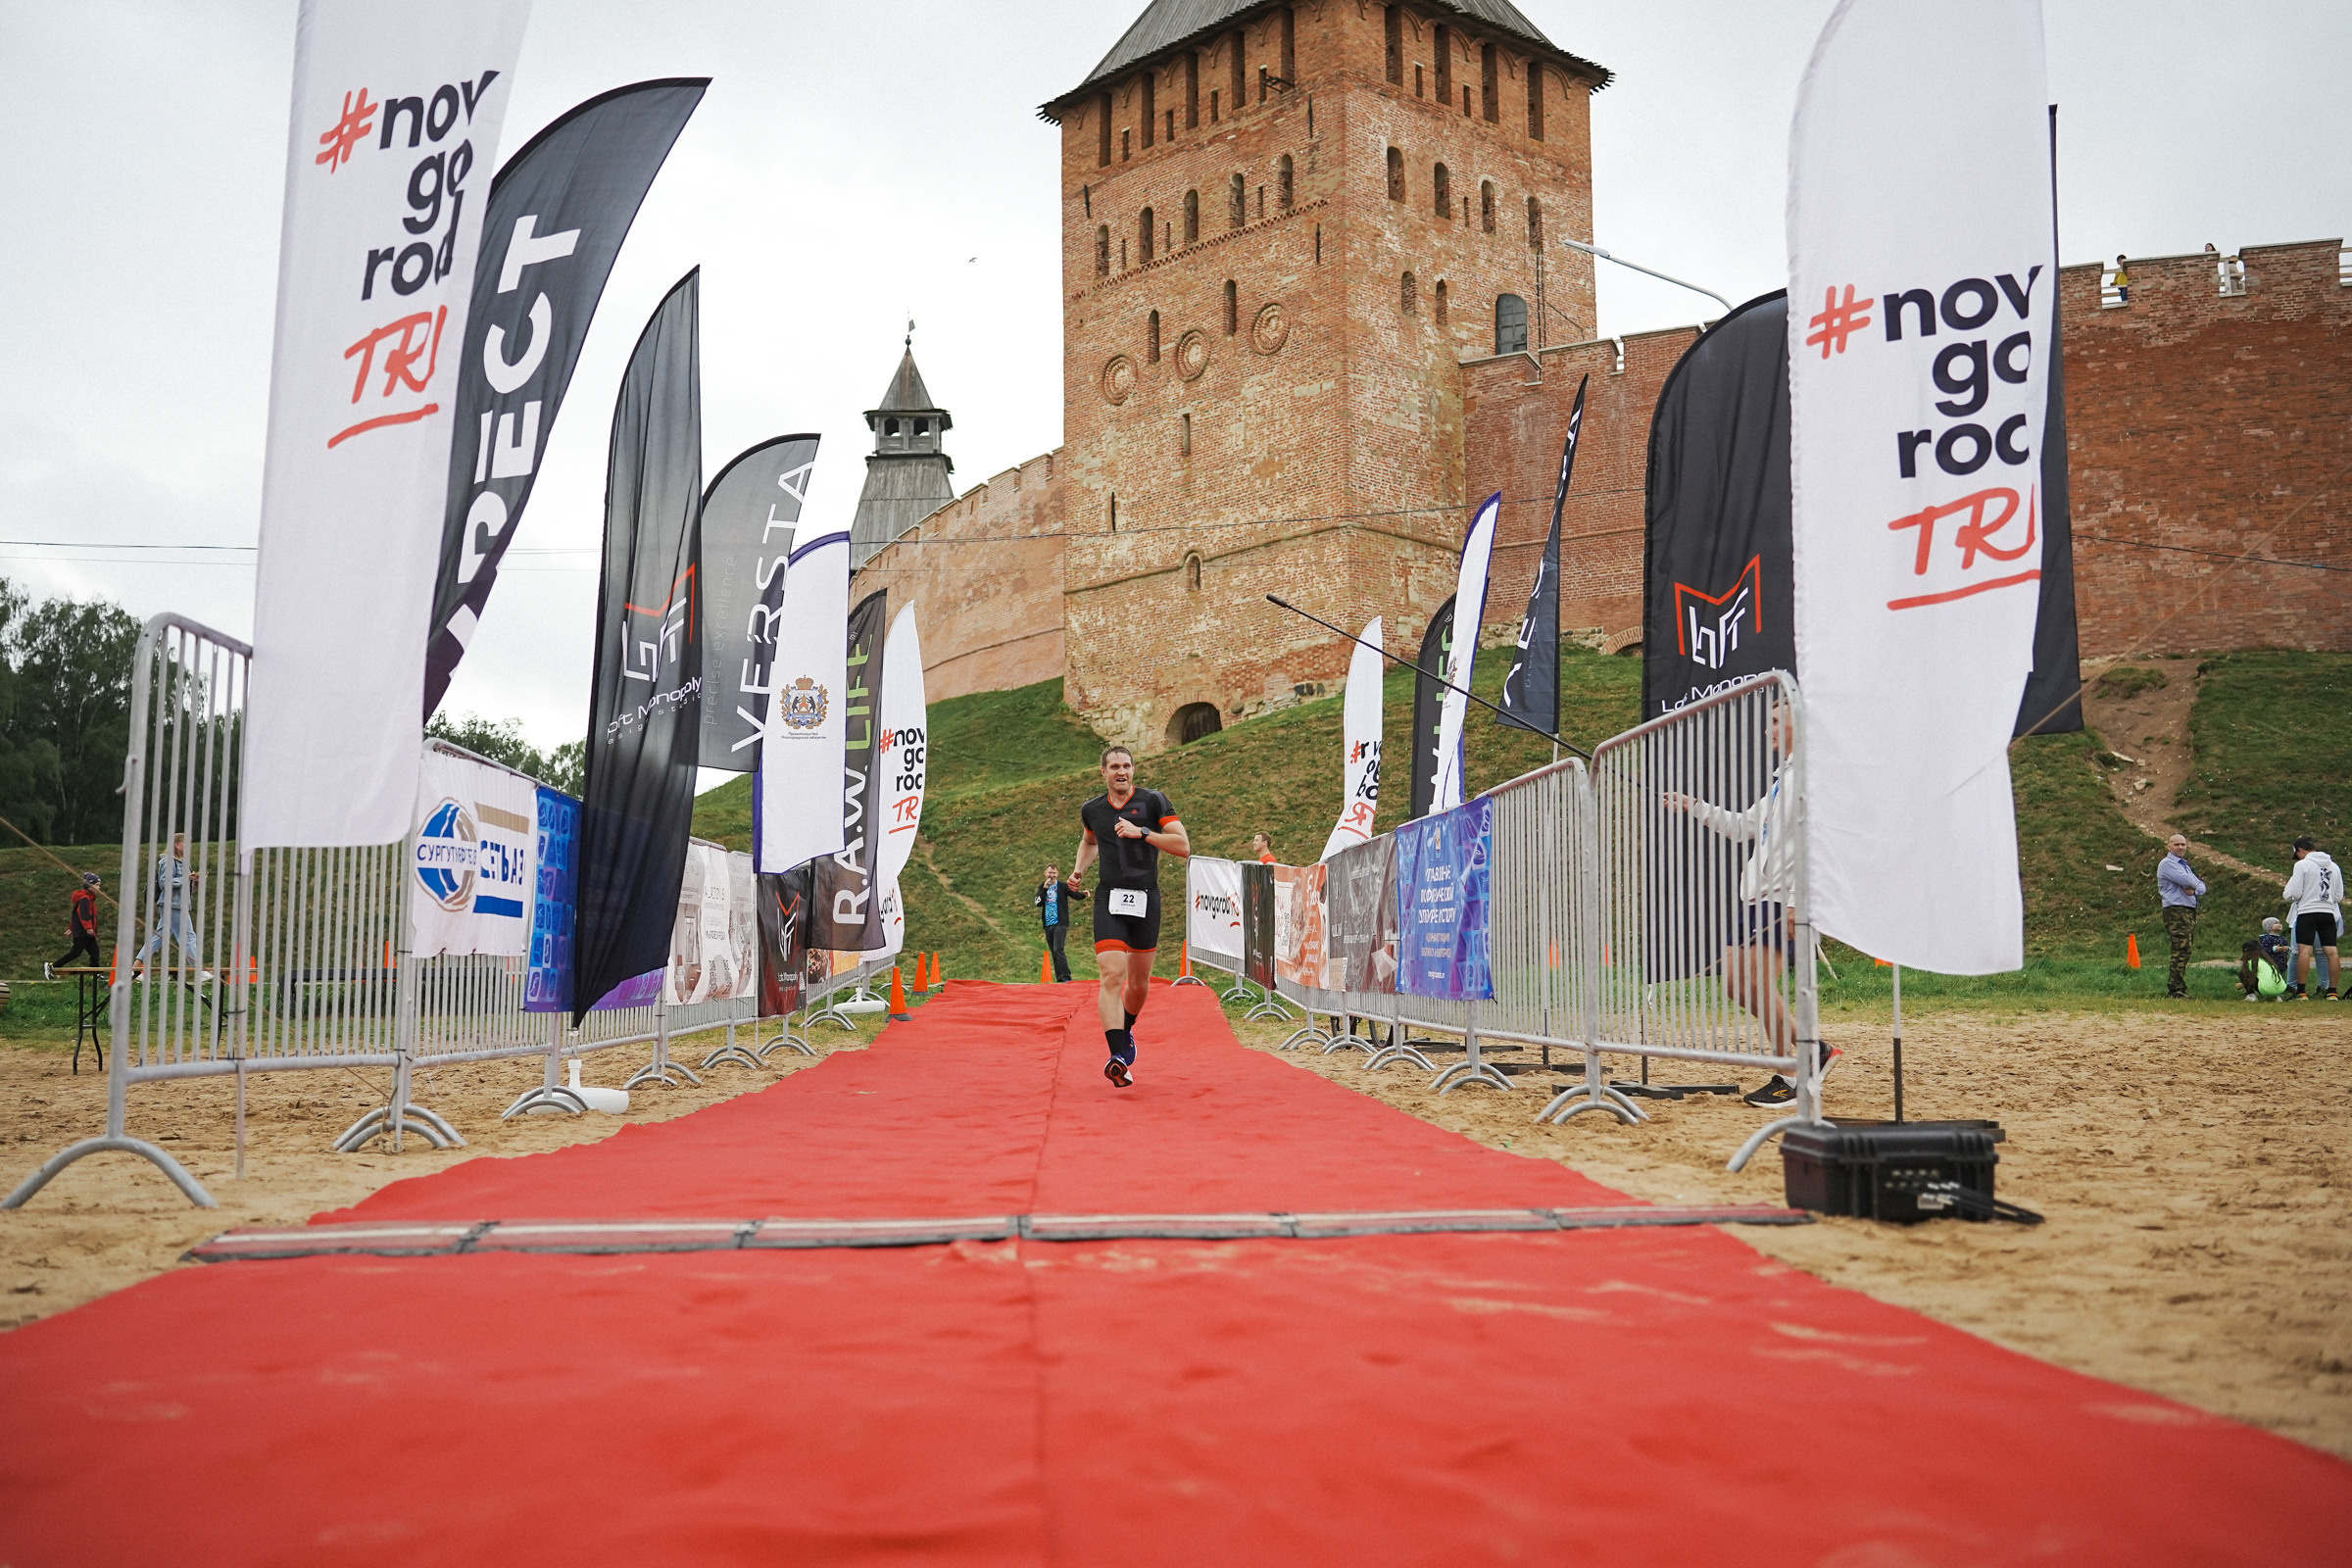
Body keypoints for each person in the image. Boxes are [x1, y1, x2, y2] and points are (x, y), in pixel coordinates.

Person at [1659, 697, 1837, 1106]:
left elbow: (1816, 844)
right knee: (1736, 986)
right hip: (1756, 897)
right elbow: (1743, 827)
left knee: (1757, 983)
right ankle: (1815, 1051)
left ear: (1798, 720)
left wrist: (1796, 902)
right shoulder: (1783, 777)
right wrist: (1696, 807)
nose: (1766, 730)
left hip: (1781, 899)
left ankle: (1790, 1077)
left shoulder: (1812, 776)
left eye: (1774, 720)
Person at [1067, 744, 1190, 1088]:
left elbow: (1183, 846)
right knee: (1111, 975)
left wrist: (1144, 833)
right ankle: (1117, 1056)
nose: (1121, 772)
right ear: (1102, 772)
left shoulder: (1153, 802)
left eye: (1127, 766)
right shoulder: (1092, 809)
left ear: (1133, 770)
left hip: (1146, 899)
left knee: (1137, 985)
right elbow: (1090, 840)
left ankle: (1127, 1029)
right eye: (1114, 767)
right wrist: (1079, 870)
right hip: (1109, 898)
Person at [133, 831, 210, 983]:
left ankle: (135, 969)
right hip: (173, 904)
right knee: (188, 937)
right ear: (177, 844)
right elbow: (165, 883)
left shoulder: (183, 862)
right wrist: (186, 877)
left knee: (158, 938)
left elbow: (181, 882)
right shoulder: (168, 861)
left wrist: (195, 880)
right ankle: (198, 970)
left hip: (178, 904)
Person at [2281, 836, 2341, 1001]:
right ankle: (2332, 991)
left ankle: (2301, 991)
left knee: (2304, 952)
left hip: (2308, 912)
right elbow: (2338, 895)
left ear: (2301, 850)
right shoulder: (2334, 866)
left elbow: (2294, 893)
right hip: (2328, 912)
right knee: (2332, 952)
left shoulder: (2302, 865)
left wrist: (2296, 898)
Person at [2158, 834, 2205, 999]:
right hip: (2176, 911)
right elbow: (2190, 881)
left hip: (2187, 910)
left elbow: (2201, 886)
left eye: (2183, 844)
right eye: (2176, 844)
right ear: (2168, 847)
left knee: (2185, 949)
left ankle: (2178, 986)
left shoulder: (2184, 865)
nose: (2180, 847)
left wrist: (2196, 887)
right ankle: (2175, 988)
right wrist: (2195, 884)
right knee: (2180, 949)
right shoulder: (2167, 864)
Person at [1033, 861, 1087, 983]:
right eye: (1050, 872)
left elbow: (1074, 894)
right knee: (1054, 952)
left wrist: (1083, 894)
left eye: (1054, 873)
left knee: (1058, 949)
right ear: (1045, 873)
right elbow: (1038, 903)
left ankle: (1066, 976)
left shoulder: (1062, 886)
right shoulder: (1042, 887)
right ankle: (1060, 978)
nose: (1052, 875)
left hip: (1061, 922)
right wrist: (1045, 889)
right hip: (1048, 924)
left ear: (1057, 874)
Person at [50, 872, 104, 978]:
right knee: (75, 953)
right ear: (89, 885)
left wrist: (71, 927)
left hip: (87, 933)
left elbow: (75, 914)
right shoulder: (85, 899)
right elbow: (84, 914)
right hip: (83, 932)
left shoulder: (89, 898)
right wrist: (88, 927)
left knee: (95, 952)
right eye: (97, 885)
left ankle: (95, 973)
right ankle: (53, 966)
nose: (99, 888)